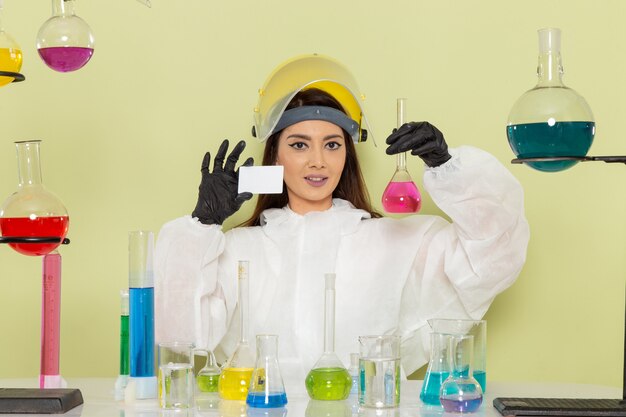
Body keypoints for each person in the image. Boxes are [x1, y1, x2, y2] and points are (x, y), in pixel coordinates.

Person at [154, 55, 529, 390]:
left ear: (347, 155)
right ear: (275, 154)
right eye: (299, 144)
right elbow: (180, 334)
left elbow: (495, 255)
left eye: (332, 144)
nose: (318, 161)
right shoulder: (239, 249)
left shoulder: (392, 241)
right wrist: (201, 227)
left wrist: (448, 167)